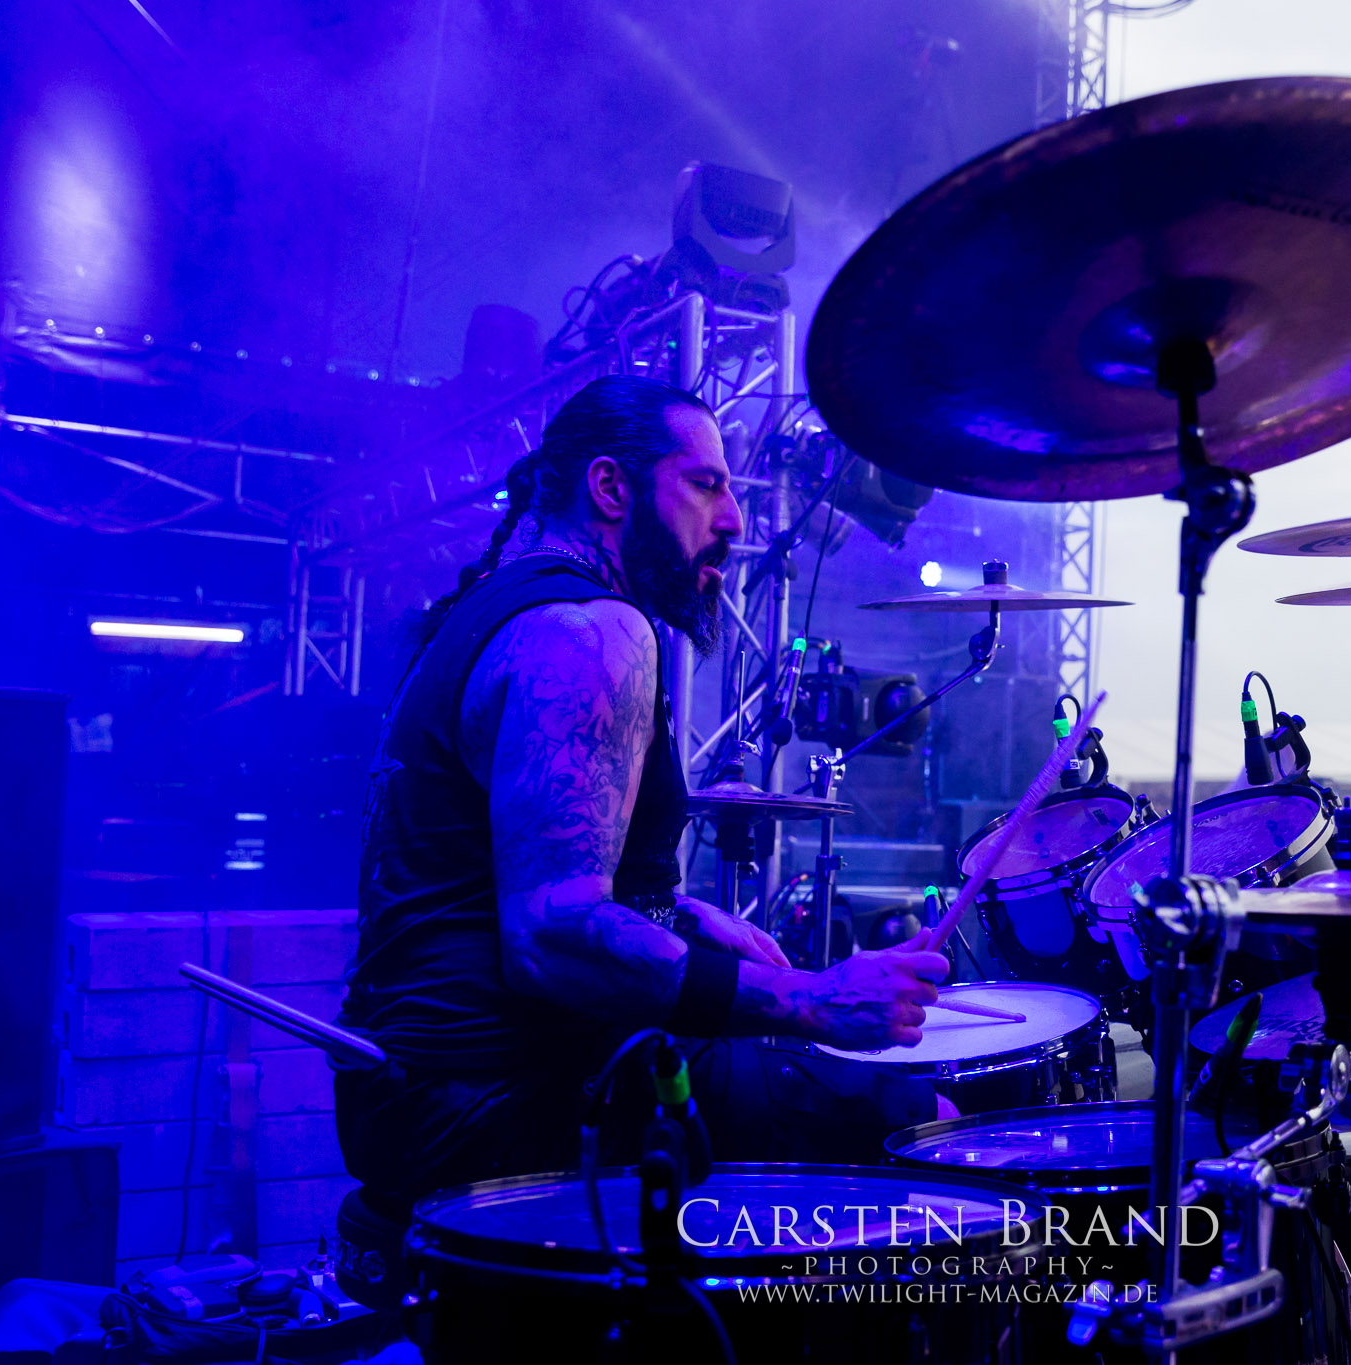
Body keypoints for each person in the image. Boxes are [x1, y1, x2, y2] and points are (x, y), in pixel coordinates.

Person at [337, 375, 949, 1211]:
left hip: (416, 1091)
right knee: (924, 1123)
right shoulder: (591, 632)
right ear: (610, 487)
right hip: (509, 1094)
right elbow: (551, 935)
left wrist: (676, 913)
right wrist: (812, 999)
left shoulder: (482, 618)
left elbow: (491, 876)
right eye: (705, 485)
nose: (733, 521)